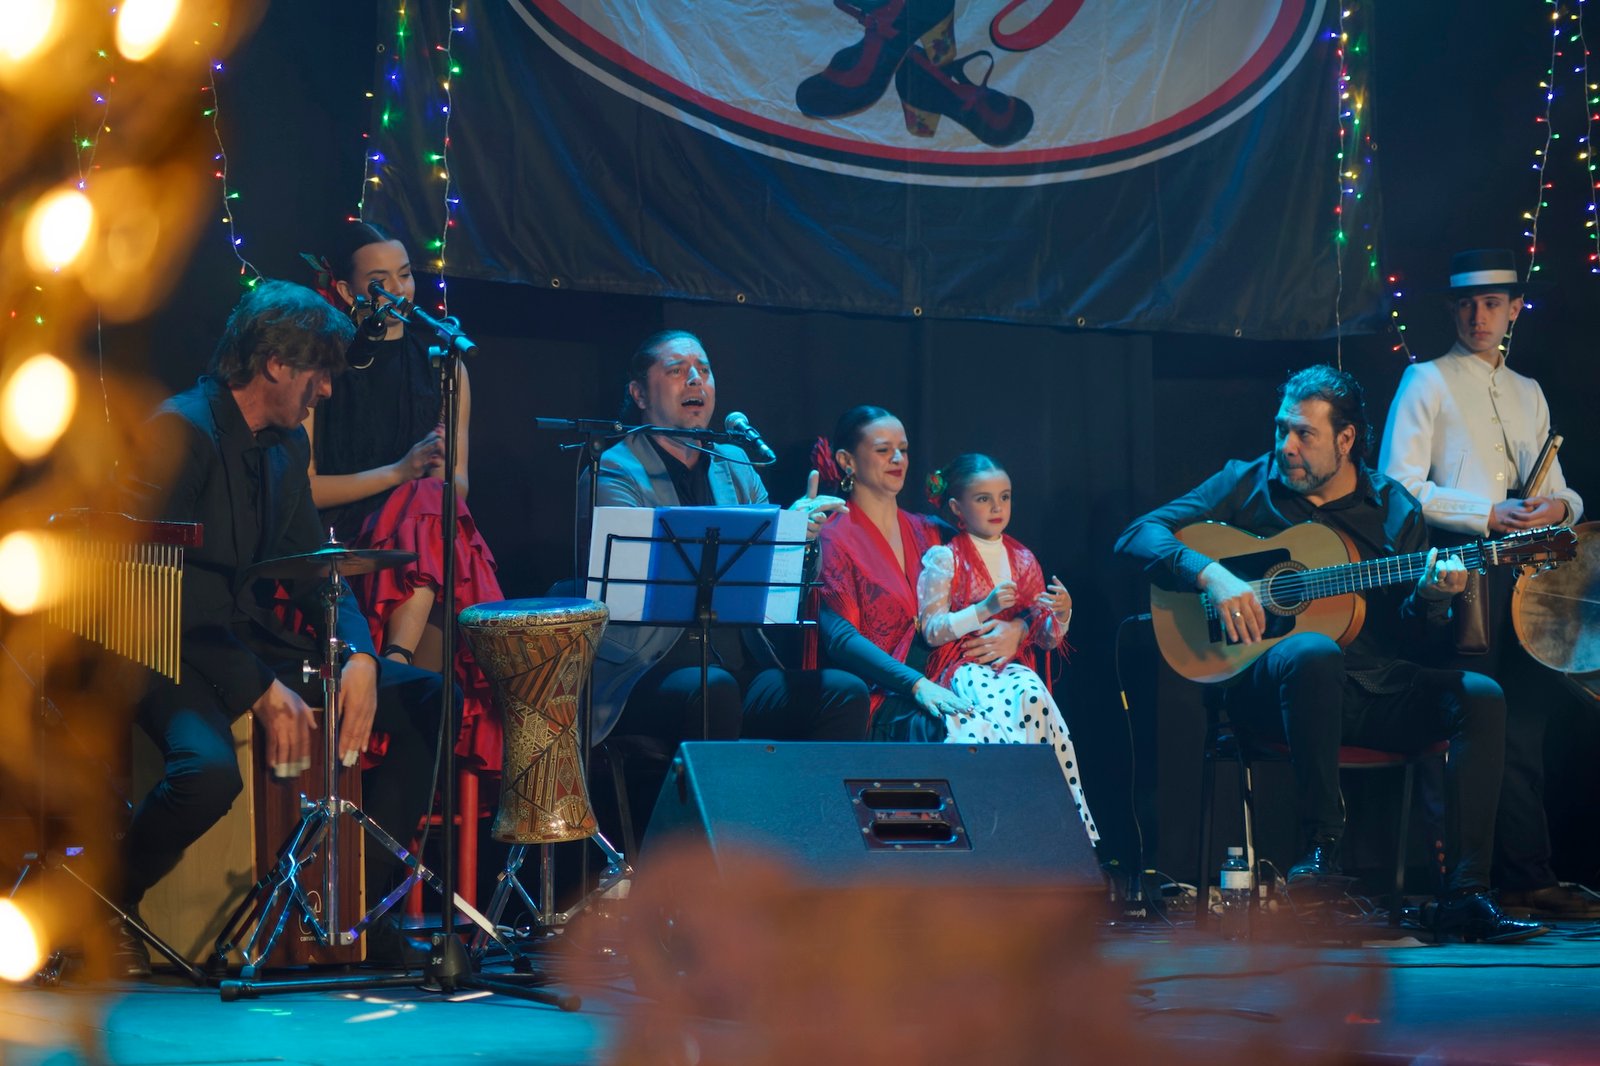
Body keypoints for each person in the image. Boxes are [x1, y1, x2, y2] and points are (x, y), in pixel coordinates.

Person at [1115, 364, 1543, 943]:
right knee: (1313, 651)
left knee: (1481, 696)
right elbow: (1138, 533)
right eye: (1281, 430)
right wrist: (1210, 573)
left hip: (1372, 689)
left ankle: (1465, 894)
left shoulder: (1394, 510)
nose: (1285, 447)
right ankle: (1318, 864)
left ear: (1346, 441)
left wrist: (1431, 600)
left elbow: (1417, 640)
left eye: (1303, 435)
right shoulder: (1247, 482)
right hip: (1271, 694)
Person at [118, 280, 450, 975]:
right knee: (206, 775)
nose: (326, 389)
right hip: (164, 645)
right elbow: (162, 588)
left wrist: (358, 654)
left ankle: (369, 917)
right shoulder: (178, 432)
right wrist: (260, 689)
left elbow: (317, 565)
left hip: (242, 639)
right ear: (274, 363)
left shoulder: (284, 447)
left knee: (428, 697)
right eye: (318, 371)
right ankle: (104, 905)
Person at [1378, 247, 1595, 920]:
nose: (1479, 317)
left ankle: (1528, 876)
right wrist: (1487, 513)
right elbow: (1398, 485)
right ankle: (1468, 887)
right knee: (1478, 723)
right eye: (1468, 305)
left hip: (1528, 580)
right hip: (1462, 577)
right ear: (1453, 309)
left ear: (1512, 310)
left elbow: (1559, 491)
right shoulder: (1426, 380)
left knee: (1526, 725)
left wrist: (1560, 509)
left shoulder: (1527, 390)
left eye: (1493, 304)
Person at [578, 330, 869, 793]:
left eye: (704, 369)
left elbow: (788, 588)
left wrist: (801, 539)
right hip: (647, 673)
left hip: (738, 668)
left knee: (843, 694)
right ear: (638, 393)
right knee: (712, 690)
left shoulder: (735, 462)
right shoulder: (614, 468)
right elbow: (637, 583)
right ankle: (714, 854)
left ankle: (808, 845)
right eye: (676, 371)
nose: (695, 379)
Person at [303, 221, 503, 775]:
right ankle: (394, 663)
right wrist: (398, 471)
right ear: (345, 291)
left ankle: (396, 662)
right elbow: (307, 489)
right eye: (379, 280)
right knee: (420, 496)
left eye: (407, 275)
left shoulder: (444, 364)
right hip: (344, 549)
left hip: (423, 546)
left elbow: (456, 486)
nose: (398, 291)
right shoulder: (322, 366)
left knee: (431, 500)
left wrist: (419, 477)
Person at [811, 405, 1027, 740]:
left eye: (903, 450)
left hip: (947, 682)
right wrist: (915, 683)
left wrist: (1019, 628)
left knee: (1019, 709)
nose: (897, 458)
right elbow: (840, 639)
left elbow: (1005, 581)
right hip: (884, 699)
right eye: (883, 450)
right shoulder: (833, 537)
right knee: (963, 730)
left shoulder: (931, 532)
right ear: (846, 461)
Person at [917, 453, 1098, 846]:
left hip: (1010, 668)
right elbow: (931, 630)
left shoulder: (1022, 558)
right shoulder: (946, 558)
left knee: (1033, 697)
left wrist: (1061, 615)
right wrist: (982, 610)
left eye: (1005, 496)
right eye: (983, 499)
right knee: (985, 724)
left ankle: (1049, 824)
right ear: (956, 507)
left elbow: (1043, 635)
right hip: (965, 664)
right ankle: (994, 825)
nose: (997, 507)